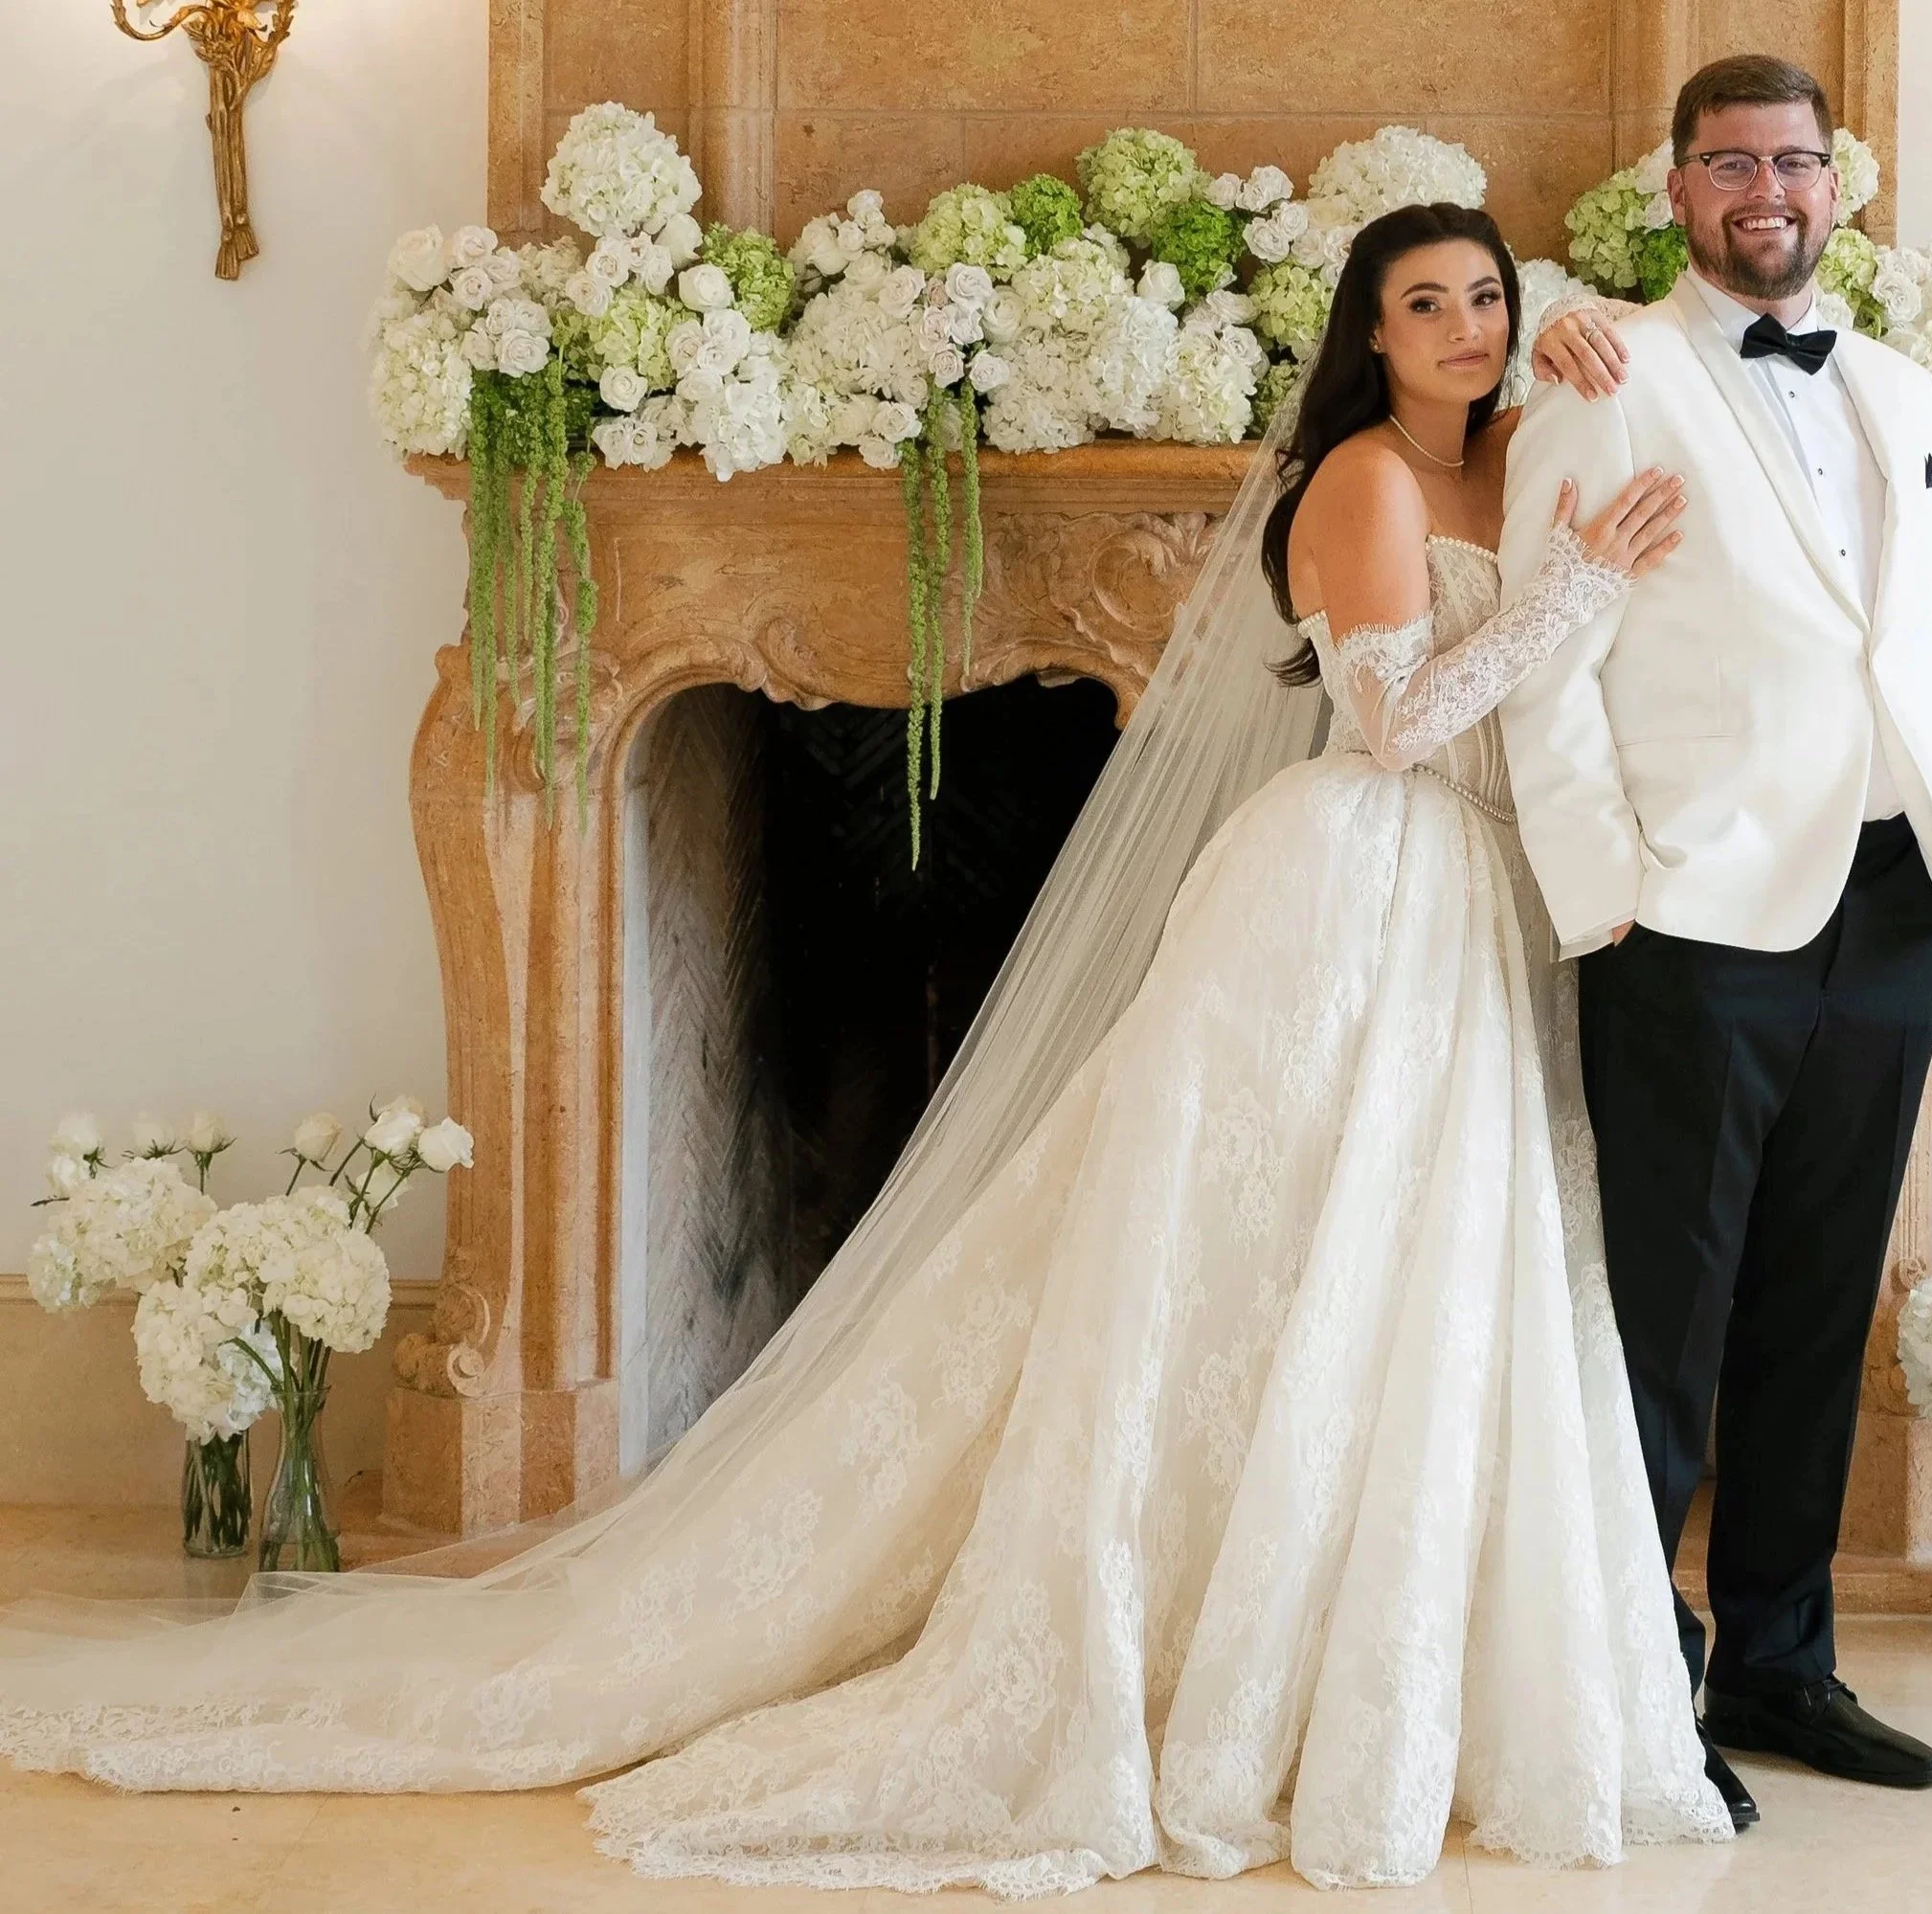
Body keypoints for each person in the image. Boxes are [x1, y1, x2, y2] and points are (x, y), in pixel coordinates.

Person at [0, 202, 1728, 1893]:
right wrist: (1573, 590)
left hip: (1477, 911)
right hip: (1361, 887)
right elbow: (1398, 715)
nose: (1468, 331)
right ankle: (1191, 1654)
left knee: (1414, 1277)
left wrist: (1600, 347)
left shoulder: (1519, 449)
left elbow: (1679, 340)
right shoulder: (1361, 479)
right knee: (1264, 1271)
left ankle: (1382, 1642)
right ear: (1369, 331)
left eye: (1490, 300)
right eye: (1428, 305)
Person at [1508, 54, 1932, 1832]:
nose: (1761, 191)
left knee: (1811, 1301)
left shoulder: (1900, 382)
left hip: (1886, 904)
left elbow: (1919, 635)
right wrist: (1601, 892)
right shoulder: (1602, 373)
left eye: (1790, 160)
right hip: (1688, 913)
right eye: (1727, 164)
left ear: (1834, 184)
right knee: (1661, 1320)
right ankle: (1639, 1681)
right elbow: (1545, 665)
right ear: (1675, 185)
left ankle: (1780, 1663)